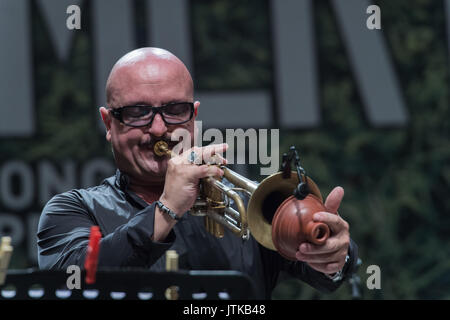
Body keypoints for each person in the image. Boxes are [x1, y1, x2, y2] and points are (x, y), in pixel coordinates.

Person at [37, 47, 358, 299]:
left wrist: (333, 254)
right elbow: (72, 284)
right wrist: (166, 209)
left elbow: (324, 273)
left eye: (175, 110)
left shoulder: (248, 204)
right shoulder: (73, 211)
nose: (160, 129)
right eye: (138, 113)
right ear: (109, 124)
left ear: (194, 116)